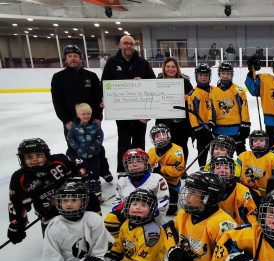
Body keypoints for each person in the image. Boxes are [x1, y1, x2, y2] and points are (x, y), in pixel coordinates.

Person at [7, 138, 100, 242]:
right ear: (22, 159)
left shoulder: (59, 161)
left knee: (91, 199)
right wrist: (16, 224)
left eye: (38, 155)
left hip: (73, 203)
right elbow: (16, 203)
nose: (34, 159)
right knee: (56, 243)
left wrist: (80, 174)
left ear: (46, 154)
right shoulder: (19, 178)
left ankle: (97, 225)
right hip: (49, 211)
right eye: (29, 157)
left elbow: (80, 166)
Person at [51, 44, 112, 182]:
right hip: (71, 122)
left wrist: (98, 117)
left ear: (81, 58)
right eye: (70, 56)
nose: (73, 58)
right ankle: (81, 172)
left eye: (75, 56)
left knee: (97, 147)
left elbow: (98, 98)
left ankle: (104, 170)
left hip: (90, 120)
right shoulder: (58, 77)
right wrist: (66, 120)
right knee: (74, 149)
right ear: (65, 59)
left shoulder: (91, 76)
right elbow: (57, 101)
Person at [101, 35, 156, 173]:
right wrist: (106, 99)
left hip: (141, 113)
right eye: (126, 43)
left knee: (139, 142)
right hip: (122, 112)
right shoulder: (112, 63)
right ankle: (123, 171)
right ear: (120, 45)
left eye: (131, 43)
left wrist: (143, 82)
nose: (129, 46)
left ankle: (140, 169)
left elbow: (154, 84)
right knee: (124, 142)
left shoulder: (142, 63)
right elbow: (105, 84)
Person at [104, 189, 167, 261]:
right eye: (135, 204)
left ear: (152, 210)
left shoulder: (151, 233)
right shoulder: (127, 223)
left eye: (144, 205)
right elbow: (119, 244)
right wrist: (111, 260)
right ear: (128, 206)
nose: (137, 207)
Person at [103, 148, 170, 238]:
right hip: (130, 216)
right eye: (130, 162)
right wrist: (125, 209)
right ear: (126, 165)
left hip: (153, 218)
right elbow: (118, 201)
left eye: (138, 161)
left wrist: (149, 211)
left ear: (146, 163)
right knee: (110, 219)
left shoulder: (157, 179)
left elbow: (164, 200)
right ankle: (121, 241)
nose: (134, 164)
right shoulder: (122, 181)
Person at [156, 57, 194, 165]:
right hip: (164, 121)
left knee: (181, 146)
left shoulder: (185, 82)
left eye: (173, 67)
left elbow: (192, 97)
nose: (170, 69)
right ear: (164, 68)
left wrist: (188, 98)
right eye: (168, 66)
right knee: (164, 145)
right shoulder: (157, 81)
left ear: (177, 68)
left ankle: (181, 168)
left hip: (182, 122)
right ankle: (165, 167)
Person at [210, 61, 251, 155]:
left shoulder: (238, 90)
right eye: (223, 73)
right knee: (218, 157)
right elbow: (211, 109)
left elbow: (244, 108)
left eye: (228, 73)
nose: (225, 76)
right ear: (219, 74)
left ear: (231, 75)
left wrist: (246, 125)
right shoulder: (213, 92)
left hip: (235, 130)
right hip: (218, 130)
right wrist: (210, 122)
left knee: (241, 156)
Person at [66, 103, 104, 200]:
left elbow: (100, 136)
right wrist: (77, 147)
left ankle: (96, 189)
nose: (86, 116)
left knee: (95, 171)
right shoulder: (74, 127)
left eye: (88, 114)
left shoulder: (95, 125)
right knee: (83, 171)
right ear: (78, 115)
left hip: (93, 154)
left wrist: (95, 146)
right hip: (81, 154)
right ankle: (85, 189)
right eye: (83, 114)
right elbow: (70, 137)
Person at [147, 124, 186, 216]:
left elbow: (177, 171)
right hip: (155, 182)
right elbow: (147, 168)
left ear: (168, 135)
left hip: (171, 183)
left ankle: (172, 201)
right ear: (153, 139)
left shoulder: (177, 151)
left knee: (171, 209)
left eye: (163, 134)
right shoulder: (151, 152)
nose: (160, 137)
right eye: (157, 136)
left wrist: (161, 169)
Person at [210, 156, 258, 226]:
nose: (222, 170)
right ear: (212, 171)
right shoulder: (207, 189)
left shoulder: (242, 190)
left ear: (232, 172)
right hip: (213, 229)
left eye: (226, 168)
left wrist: (248, 228)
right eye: (218, 168)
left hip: (237, 229)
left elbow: (251, 213)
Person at [187, 63, 215, 167]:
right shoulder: (193, 94)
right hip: (201, 129)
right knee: (202, 151)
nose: (203, 78)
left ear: (210, 77)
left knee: (216, 151)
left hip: (215, 127)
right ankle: (202, 169)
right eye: (201, 75)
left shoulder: (215, 90)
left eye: (206, 75)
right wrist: (197, 128)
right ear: (196, 76)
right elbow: (191, 112)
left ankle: (215, 169)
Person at [237, 130, 274, 202]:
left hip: (266, 195)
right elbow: (235, 175)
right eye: (255, 141)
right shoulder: (242, 156)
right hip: (245, 193)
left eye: (261, 140)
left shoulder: (272, 158)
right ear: (251, 142)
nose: (258, 142)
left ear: (266, 142)